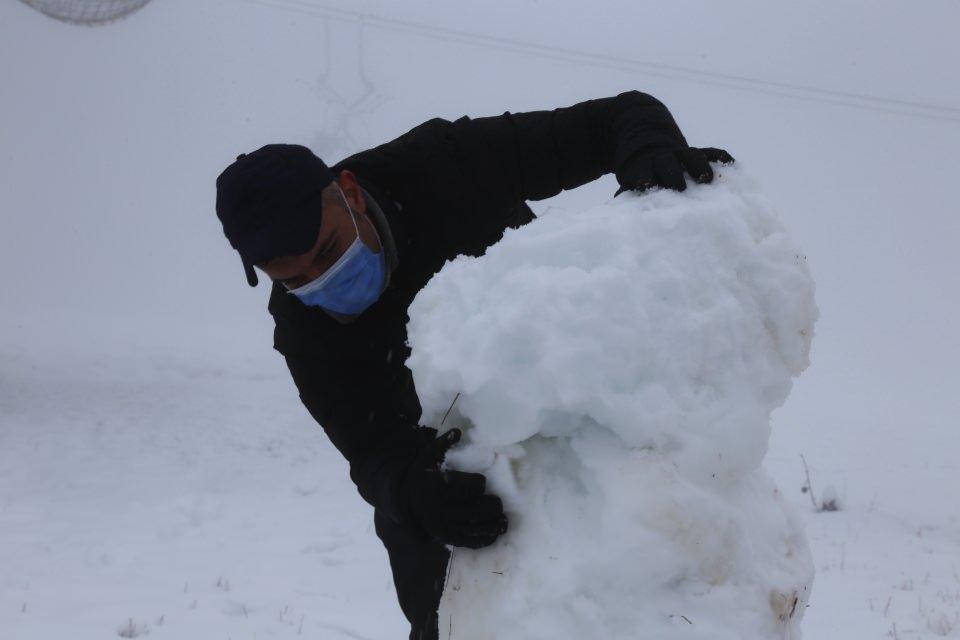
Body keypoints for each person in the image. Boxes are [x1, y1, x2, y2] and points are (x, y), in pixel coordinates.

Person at [214, 90, 733, 640]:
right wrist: (416, 493)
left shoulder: (443, 164)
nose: (323, 283)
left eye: (327, 253)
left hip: (584, 448)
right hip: (446, 506)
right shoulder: (303, 331)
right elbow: (370, 454)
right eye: (295, 281)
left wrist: (649, 150)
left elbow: (621, 116)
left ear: (349, 195)